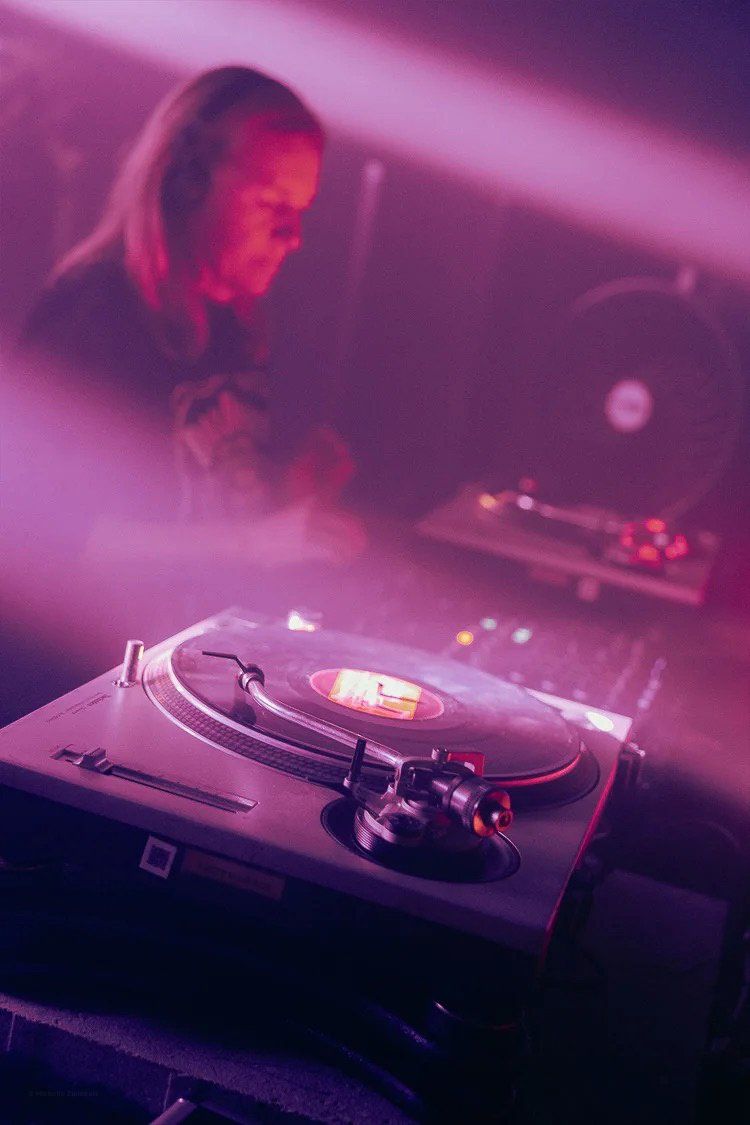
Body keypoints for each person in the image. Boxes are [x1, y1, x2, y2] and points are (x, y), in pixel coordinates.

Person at [22, 65, 365, 571]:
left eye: (299, 210)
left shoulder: (231, 318)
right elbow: (39, 528)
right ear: (186, 185)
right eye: (272, 203)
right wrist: (253, 543)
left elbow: (199, 515)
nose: (293, 237)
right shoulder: (91, 312)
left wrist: (284, 494)